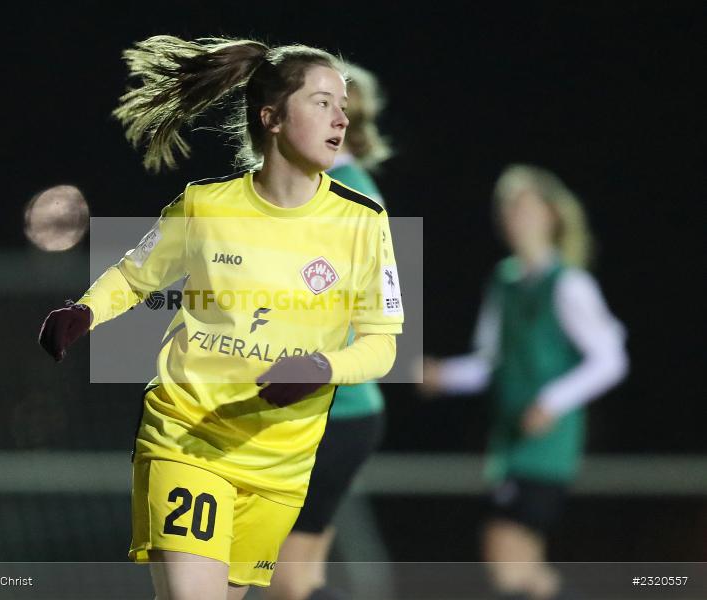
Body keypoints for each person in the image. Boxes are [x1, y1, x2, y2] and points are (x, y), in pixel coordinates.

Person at [38, 36, 404, 600]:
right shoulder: (206, 205)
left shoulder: (364, 221)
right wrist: (84, 310)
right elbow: (137, 276)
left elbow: (382, 345)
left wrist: (321, 365)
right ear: (272, 117)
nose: (341, 118)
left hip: (279, 462)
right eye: (322, 102)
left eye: (344, 105)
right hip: (190, 438)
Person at [419, 164, 628, 600]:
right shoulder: (505, 280)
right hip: (508, 439)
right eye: (509, 209)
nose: (515, 217)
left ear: (552, 215)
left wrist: (552, 401)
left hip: (547, 445)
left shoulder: (569, 284)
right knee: (524, 569)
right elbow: (489, 363)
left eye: (526, 207)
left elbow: (611, 358)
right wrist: (443, 375)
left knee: (506, 553)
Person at [267, 61, 393, 600]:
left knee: (286, 582)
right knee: (299, 579)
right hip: (338, 414)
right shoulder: (328, 185)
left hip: (330, 416)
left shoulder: (343, 195)